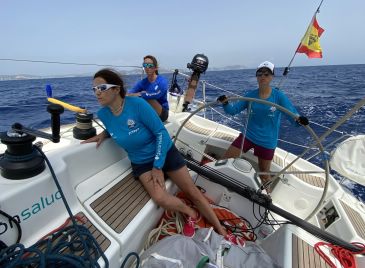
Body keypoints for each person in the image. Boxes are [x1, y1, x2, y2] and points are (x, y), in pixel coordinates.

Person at [82, 68, 227, 239]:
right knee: (160, 199)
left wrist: (158, 166)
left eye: (102, 88)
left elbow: (160, 133)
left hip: (163, 150)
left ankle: (221, 230)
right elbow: (114, 127)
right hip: (141, 162)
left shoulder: (138, 105)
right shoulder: (103, 114)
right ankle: (191, 213)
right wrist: (102, 135)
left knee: (192, 192)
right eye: (94, 89)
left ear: (116, 88)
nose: (97, 93)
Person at [217, 61, 309, 191]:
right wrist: (225, 103)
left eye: (266, 74)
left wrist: (300, 120)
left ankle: (267, 200)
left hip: (267, 141)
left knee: (264, 174)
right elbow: (233, 111)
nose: (263, 77)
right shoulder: (250, 95)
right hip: (248, 136)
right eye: (259, 74)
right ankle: (216, 181)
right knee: (224, 160)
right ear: (256, 77)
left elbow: (292, 116)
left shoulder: (279, 96)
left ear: (272, 77)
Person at [128, 55, 169, 122]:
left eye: (150, 65)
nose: (147, 68)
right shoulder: (143, 82)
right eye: (145, 65)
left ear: (155, 68)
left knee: (149, 99)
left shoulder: (162, 81)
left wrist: (140, 94)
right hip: (149, 112)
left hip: (162, 113)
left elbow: (156, 95)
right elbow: (130, 92)